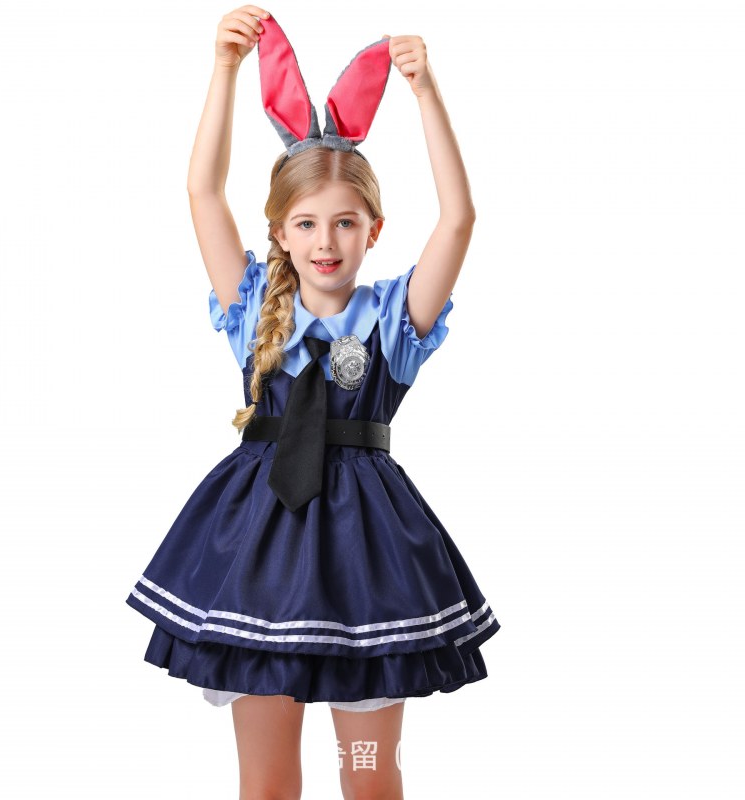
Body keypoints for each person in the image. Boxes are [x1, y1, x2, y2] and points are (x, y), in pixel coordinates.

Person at [125, 6, 500, 798]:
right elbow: (201, 191)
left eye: (344, 223)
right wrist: (224, 70)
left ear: (374, 230)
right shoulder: (253, 306)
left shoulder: (395, 318)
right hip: (257, 557)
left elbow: (460, 219)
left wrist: (425, 92)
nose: (326, 240)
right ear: (282, 233)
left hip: (367, 560)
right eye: (306, 223)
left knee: (369, 776)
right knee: (266, 783)